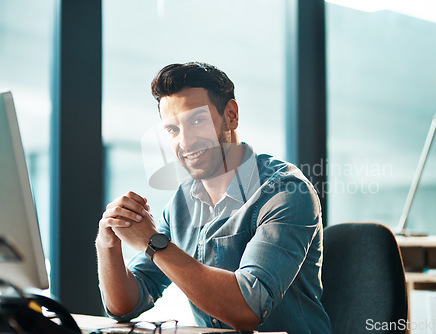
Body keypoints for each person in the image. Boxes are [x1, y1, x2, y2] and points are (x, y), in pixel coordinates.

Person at [95, 62, 333, 334]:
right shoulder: (181, 204)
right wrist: (108, 242)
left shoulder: (285, 193)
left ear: (231, 115)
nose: (185, 142)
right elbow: (125, 306)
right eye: (173, 130)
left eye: (197, 121)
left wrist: (153, 242)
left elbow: (248, 309)